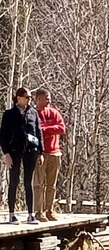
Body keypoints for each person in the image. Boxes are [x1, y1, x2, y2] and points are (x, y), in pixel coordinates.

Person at [0, 87, 42, 224]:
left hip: (30, 151)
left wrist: (40, 152)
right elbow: (3, 135)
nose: (29, 99)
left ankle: (31, 214)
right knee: (14, 182)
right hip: (14, 151)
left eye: (30, 97)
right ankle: (11, 214)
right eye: (26, 97)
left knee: (28, 182)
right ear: (18, 98)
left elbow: (38, 132)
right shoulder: (9, 114)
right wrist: (6, 153)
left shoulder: (33, 113)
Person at [32, 88, 65, 222]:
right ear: (38, 99)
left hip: (55, 152)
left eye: (49, 98)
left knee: (51, 184)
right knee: (38, 184)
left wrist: (45, 129)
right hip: (40, 153)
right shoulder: (33, 113)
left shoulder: (54, 113)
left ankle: (49, 210)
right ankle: (39, 212)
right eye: (46, 99)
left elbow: (61, 128)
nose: (49, 101)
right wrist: (49, 129)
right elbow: (33, 131)